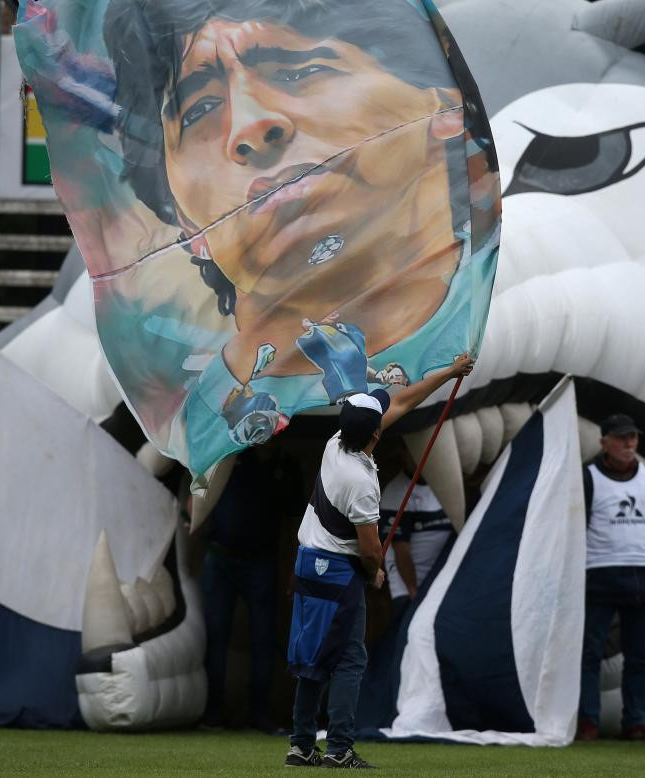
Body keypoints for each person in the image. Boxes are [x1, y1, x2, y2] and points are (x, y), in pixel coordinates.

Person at [101, 0, 499, 471]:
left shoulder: (493, 286)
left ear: (442, 104)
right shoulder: (196, 409)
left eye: (298, 71)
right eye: (200, 109)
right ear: (187, 224)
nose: (249, 127)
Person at [285, 353, 474, 769]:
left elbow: (403, 401)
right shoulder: (361, 483)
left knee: (313, 657)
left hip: (307, 562)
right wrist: (375, 576)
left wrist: (448, 373)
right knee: (350, 659)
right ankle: (338, 750)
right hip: (336, 569)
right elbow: (370, 550)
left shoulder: (337, 443)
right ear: (375, 435)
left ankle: (301, 745)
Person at [576, 413, 645, 742]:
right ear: (604, 442)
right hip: (599, 578)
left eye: (633, 437)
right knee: (589, 654)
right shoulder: (587, 478)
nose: (629, 444)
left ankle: (636, 723)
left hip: (644, 578)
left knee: (638, 658)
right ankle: (588, 722)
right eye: (621, 438)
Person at [198, 448, 292, 732]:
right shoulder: (227, 452)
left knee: (263, 638)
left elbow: (294, 518)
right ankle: (212, 712)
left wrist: (294, 564)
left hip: (261, 560)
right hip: (220, 555)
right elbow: (197, 489)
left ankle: (259, 714)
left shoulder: (285, 464)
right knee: (215, 636)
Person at [379, 446, 455, 620]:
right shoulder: (397, 493)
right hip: (411, 589)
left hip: (439, 584)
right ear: (405, 456)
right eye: (415, 454)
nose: (421, 459)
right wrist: (414, 591)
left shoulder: (442, 483)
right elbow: (401, 551)